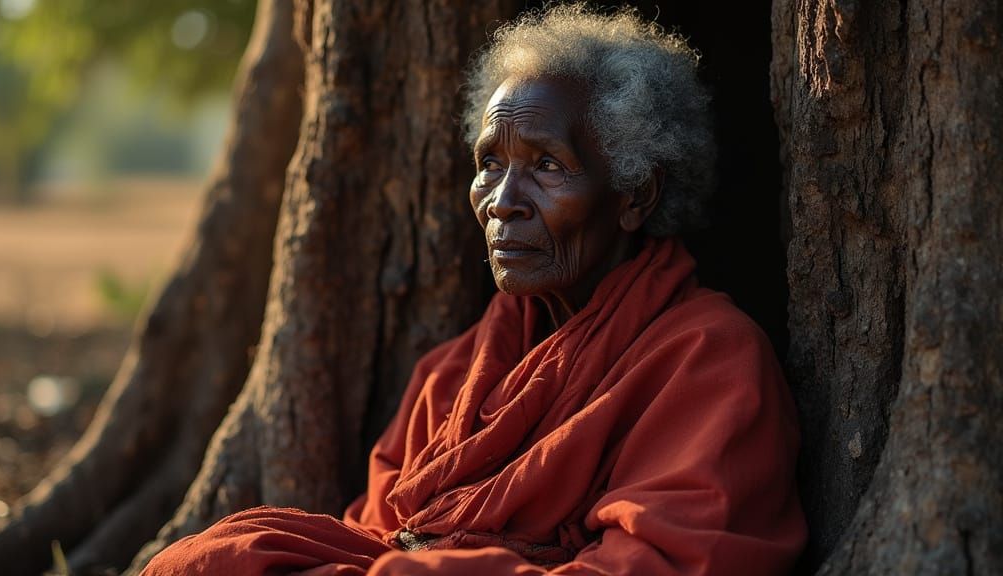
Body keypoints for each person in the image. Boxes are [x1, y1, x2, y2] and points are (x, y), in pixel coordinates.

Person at [142, 5, 806, 575]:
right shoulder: (461, 368)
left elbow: (672, 560)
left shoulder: (709, 359)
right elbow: (378, 530)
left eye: (547, 165)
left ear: (636, 195)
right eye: (491, 164)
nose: (502, 202)